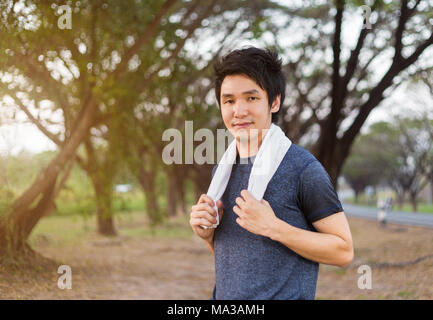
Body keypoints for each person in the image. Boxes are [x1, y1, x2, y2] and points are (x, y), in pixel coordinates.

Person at [189, 46, 354, 300]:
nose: (238, 111)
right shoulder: (221, 172)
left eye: (251, 98)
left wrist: (273, 227)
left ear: (274, 101)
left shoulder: (302, 169)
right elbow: (240, 263)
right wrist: (208, 235)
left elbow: (343, 252)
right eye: (229, 100)